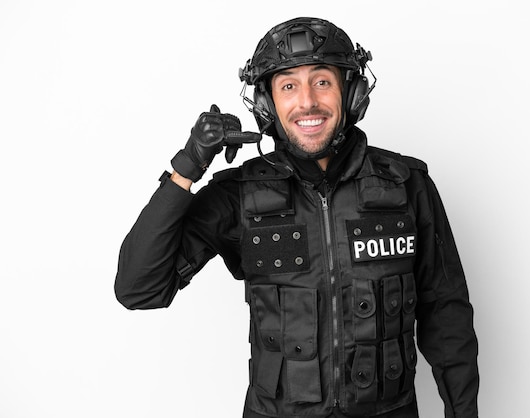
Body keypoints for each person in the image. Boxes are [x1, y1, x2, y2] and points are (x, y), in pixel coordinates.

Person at [115, 16, 479, 418]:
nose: (307, 101)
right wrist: (187, 166)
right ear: (268, 103)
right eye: (288, 85)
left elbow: (446, 314)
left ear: (351, 92)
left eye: (322, 81)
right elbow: (139, 289)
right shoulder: (238, 195)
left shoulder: (407, 184)